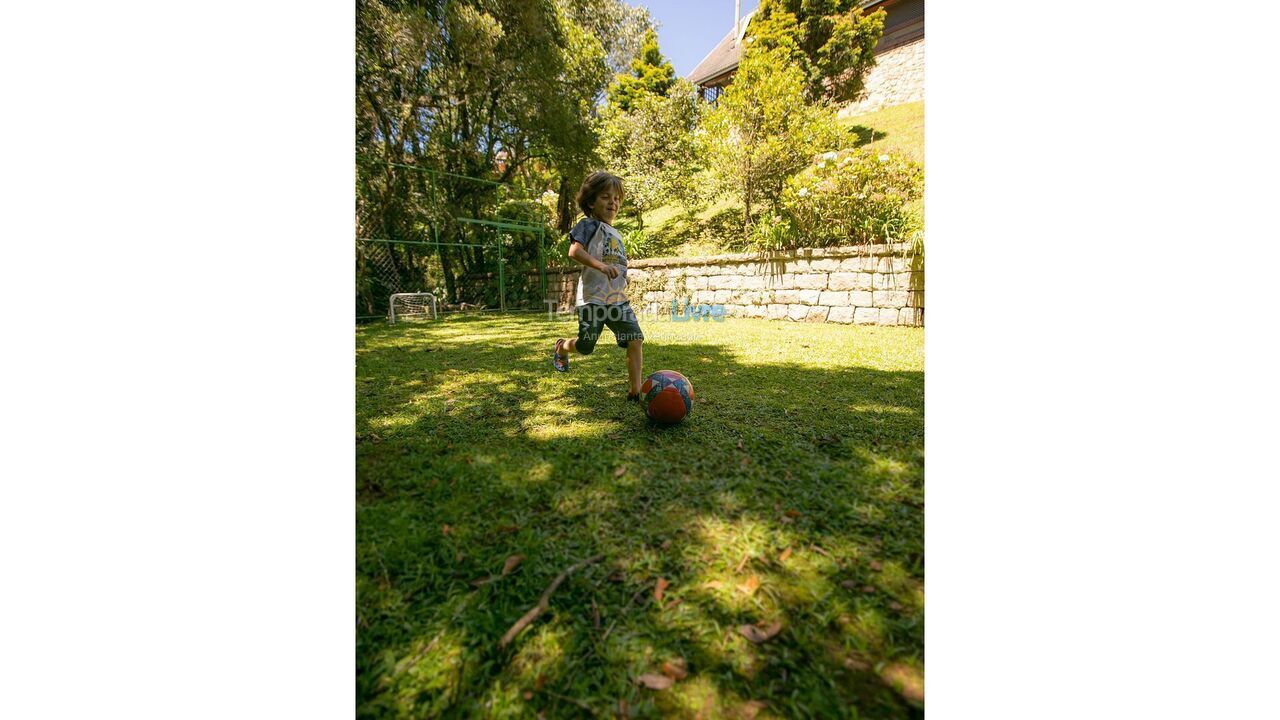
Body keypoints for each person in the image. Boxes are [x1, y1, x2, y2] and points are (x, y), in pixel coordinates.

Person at [550, 171, 645, 401]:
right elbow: (574, 251)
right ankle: (562, 347)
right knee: (586, 346)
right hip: (592, 300)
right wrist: (601, 267)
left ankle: (636, 391)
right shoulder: (588, 225)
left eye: (616, 198)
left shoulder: (617, 233)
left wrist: (622, 276)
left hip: (617, 300)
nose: (613, 202)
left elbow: (617, 262)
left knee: (635, 338)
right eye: (605, 197)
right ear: (591, 201)